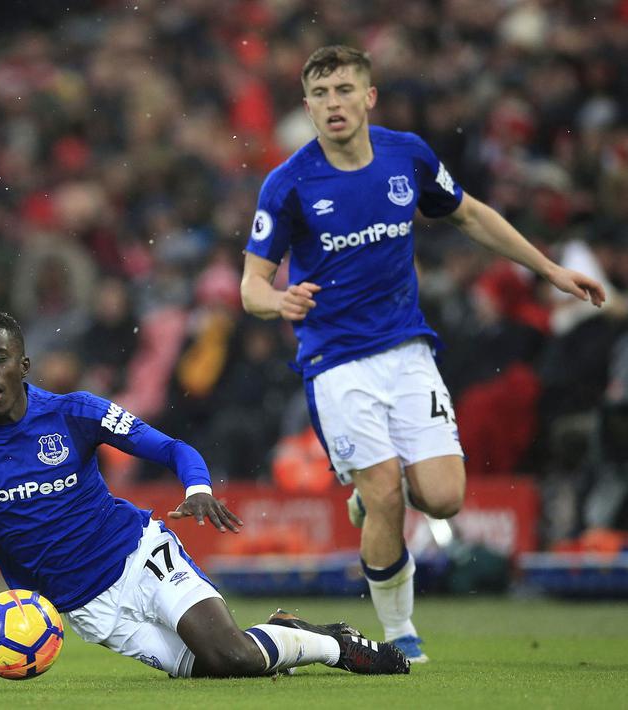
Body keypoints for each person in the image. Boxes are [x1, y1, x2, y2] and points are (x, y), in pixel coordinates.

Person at [0, 311, 410, 679]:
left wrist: (197, 485)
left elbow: (170, 448)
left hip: (137, 555)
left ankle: (331, 643)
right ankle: (286, 632)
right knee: (222, 669)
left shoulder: (76, 413)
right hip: (84, 609)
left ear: (21, 364)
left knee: (228, 654)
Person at [239, 45, 606, 663]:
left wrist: (548, 268)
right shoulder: (289, 184)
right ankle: (401, 633)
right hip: (337, 362)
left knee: (443, 497)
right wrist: (279, 303)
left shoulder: (406, 156)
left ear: (369, 96)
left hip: (408, 351)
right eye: (321, 95)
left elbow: (470, 216)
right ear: (307, 106)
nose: (334, 104)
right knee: (386, 495)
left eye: (345, 90)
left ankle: (369, 493)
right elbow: (250, 285)